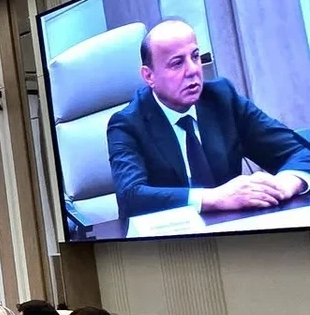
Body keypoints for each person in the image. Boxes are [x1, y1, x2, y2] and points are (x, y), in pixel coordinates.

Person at [106, 18, 310, 226]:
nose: (192, 70)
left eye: (195, 56)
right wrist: (214, 198)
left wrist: (285, 184)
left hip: (236, 230)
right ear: (149, 76)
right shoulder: (127, 124)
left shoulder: (222, 98)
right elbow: (131, 197)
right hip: (171, 239)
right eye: (177, 63)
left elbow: (301, 152)